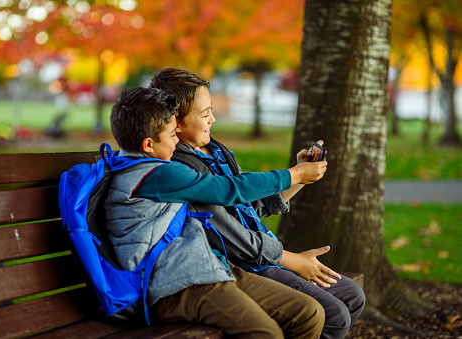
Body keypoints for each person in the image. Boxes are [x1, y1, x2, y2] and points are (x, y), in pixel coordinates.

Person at [149, 68, 366, 339]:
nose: (213, 119)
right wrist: (291, 260)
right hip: (243, 263)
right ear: (176, 122)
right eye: (205, 114)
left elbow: (250, 208)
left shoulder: (215, 150)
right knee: (333, 315)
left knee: (352, 296)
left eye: (212, 110)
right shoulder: (182, 168)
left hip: (264, 254)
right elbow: (231, 236)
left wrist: (299, 177)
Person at [106, 86, 326, 338]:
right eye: (171, 134)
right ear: (148, 144)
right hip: (177, 286)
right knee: (266, 334)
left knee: (308, 313)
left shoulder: (142, 164)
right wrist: (293, 175)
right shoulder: (157, 174)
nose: (177, 140)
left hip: (206, 269)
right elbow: (227, 190)